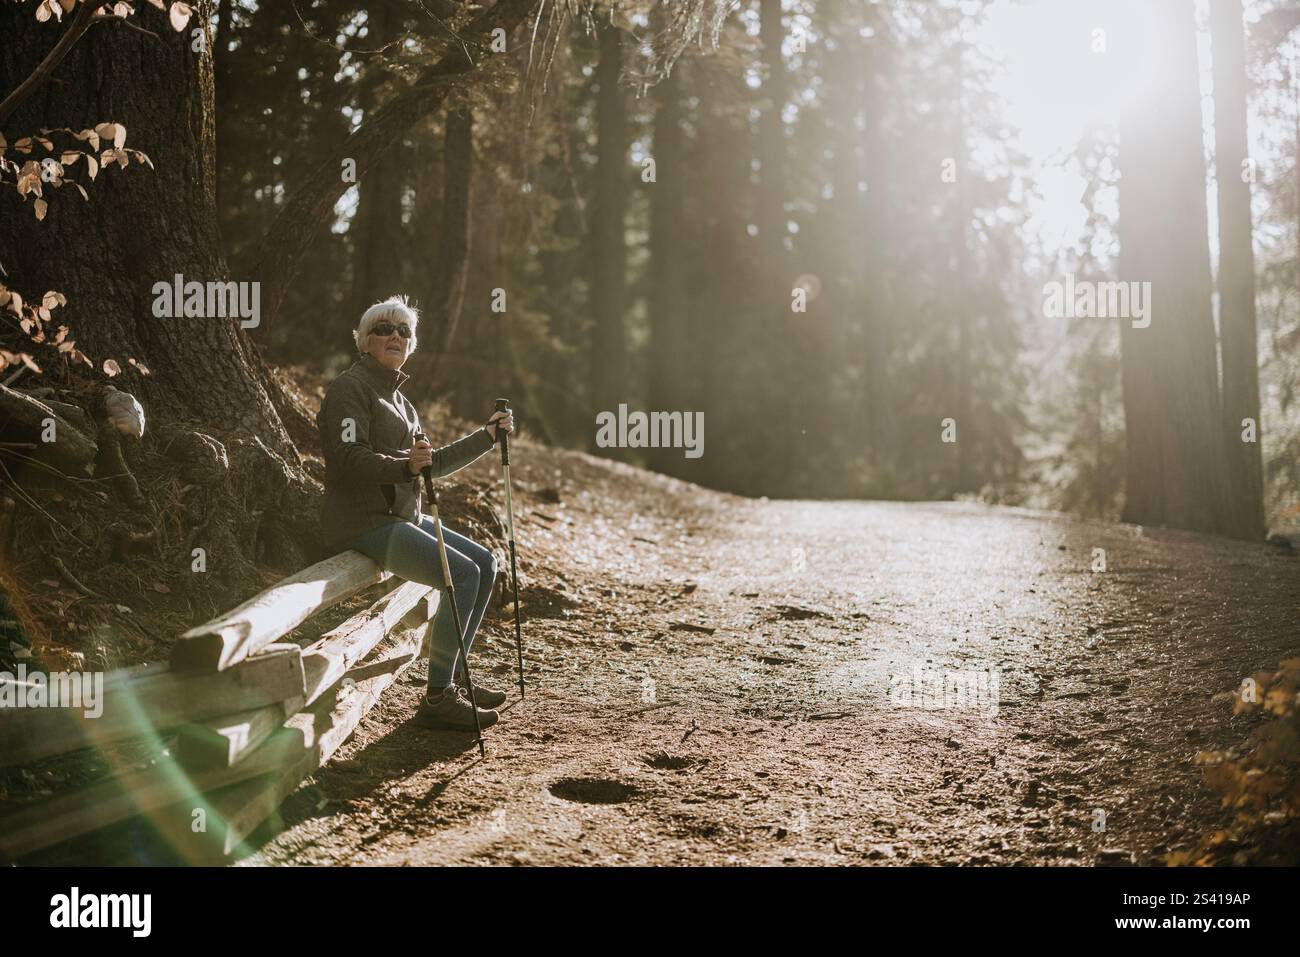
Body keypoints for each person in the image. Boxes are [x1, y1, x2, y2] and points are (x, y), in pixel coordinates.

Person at [317, 295, 514, 731]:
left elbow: (431, 466)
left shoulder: (402, 403)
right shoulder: (351, 389)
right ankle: (438, 697)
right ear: (364, 341)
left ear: (412, 344)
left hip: (400, 517)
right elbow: (349, 457)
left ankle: (456, 674)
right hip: (363, 520)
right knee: (460, 575)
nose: (396, 336)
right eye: (385, 329)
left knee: (486, 562)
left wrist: (486, 436)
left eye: (404, 331)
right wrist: (402, 467)